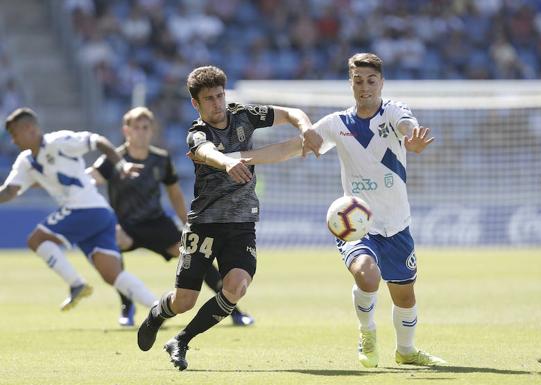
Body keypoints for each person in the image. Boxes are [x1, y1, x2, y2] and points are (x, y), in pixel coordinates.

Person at [217, 53, 444, 368]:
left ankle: (406, 351)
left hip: (397, 224)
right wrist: (239, 156)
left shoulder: (393, 111)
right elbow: (290, 148)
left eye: (371, 80)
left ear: (381, 82)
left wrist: (412, 139)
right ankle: (367, 334)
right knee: (367, 276)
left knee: (404, 296)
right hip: (356, 223)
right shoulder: (337, 124)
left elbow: (408, 126)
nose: (364, 87)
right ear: (350, 83)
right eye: (358, 80)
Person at [136, 65, 322, 371]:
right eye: (208, 98)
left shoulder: (244, 115)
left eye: (220, 95)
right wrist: (228, 163)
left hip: (241, 224)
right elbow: (209, 152)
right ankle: (158, 313)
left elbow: (292, 113)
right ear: (196, 104)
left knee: (236, 287)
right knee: (184, 300)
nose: (217, 103)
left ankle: (181, 340)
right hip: (205, 224)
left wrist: (306, 129)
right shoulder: (197, 134)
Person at [88, 106, 255, 327]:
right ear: (126, 131)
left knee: (197, 255)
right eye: (135, 127)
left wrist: (188, 223)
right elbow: (88, 182)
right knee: (112, 241)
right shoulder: (114, 159)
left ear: (151, 131)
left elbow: (174, 193)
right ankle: (127, 307)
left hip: (157, 223)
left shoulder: (161, 159)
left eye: (145, 127)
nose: (141, 132)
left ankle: (233, 310)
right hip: (125, 225)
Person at [0, 107, 157, 313]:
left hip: (86, 208)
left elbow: (97, 141)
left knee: (36, 240)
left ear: (29, 129)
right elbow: (10, 191)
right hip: (99, 214)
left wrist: (121, 165)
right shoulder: (25, 162)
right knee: (112, 274)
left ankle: (76, 284)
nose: (13, 140)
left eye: (14, 134)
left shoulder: (59, 142)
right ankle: (158, 307)